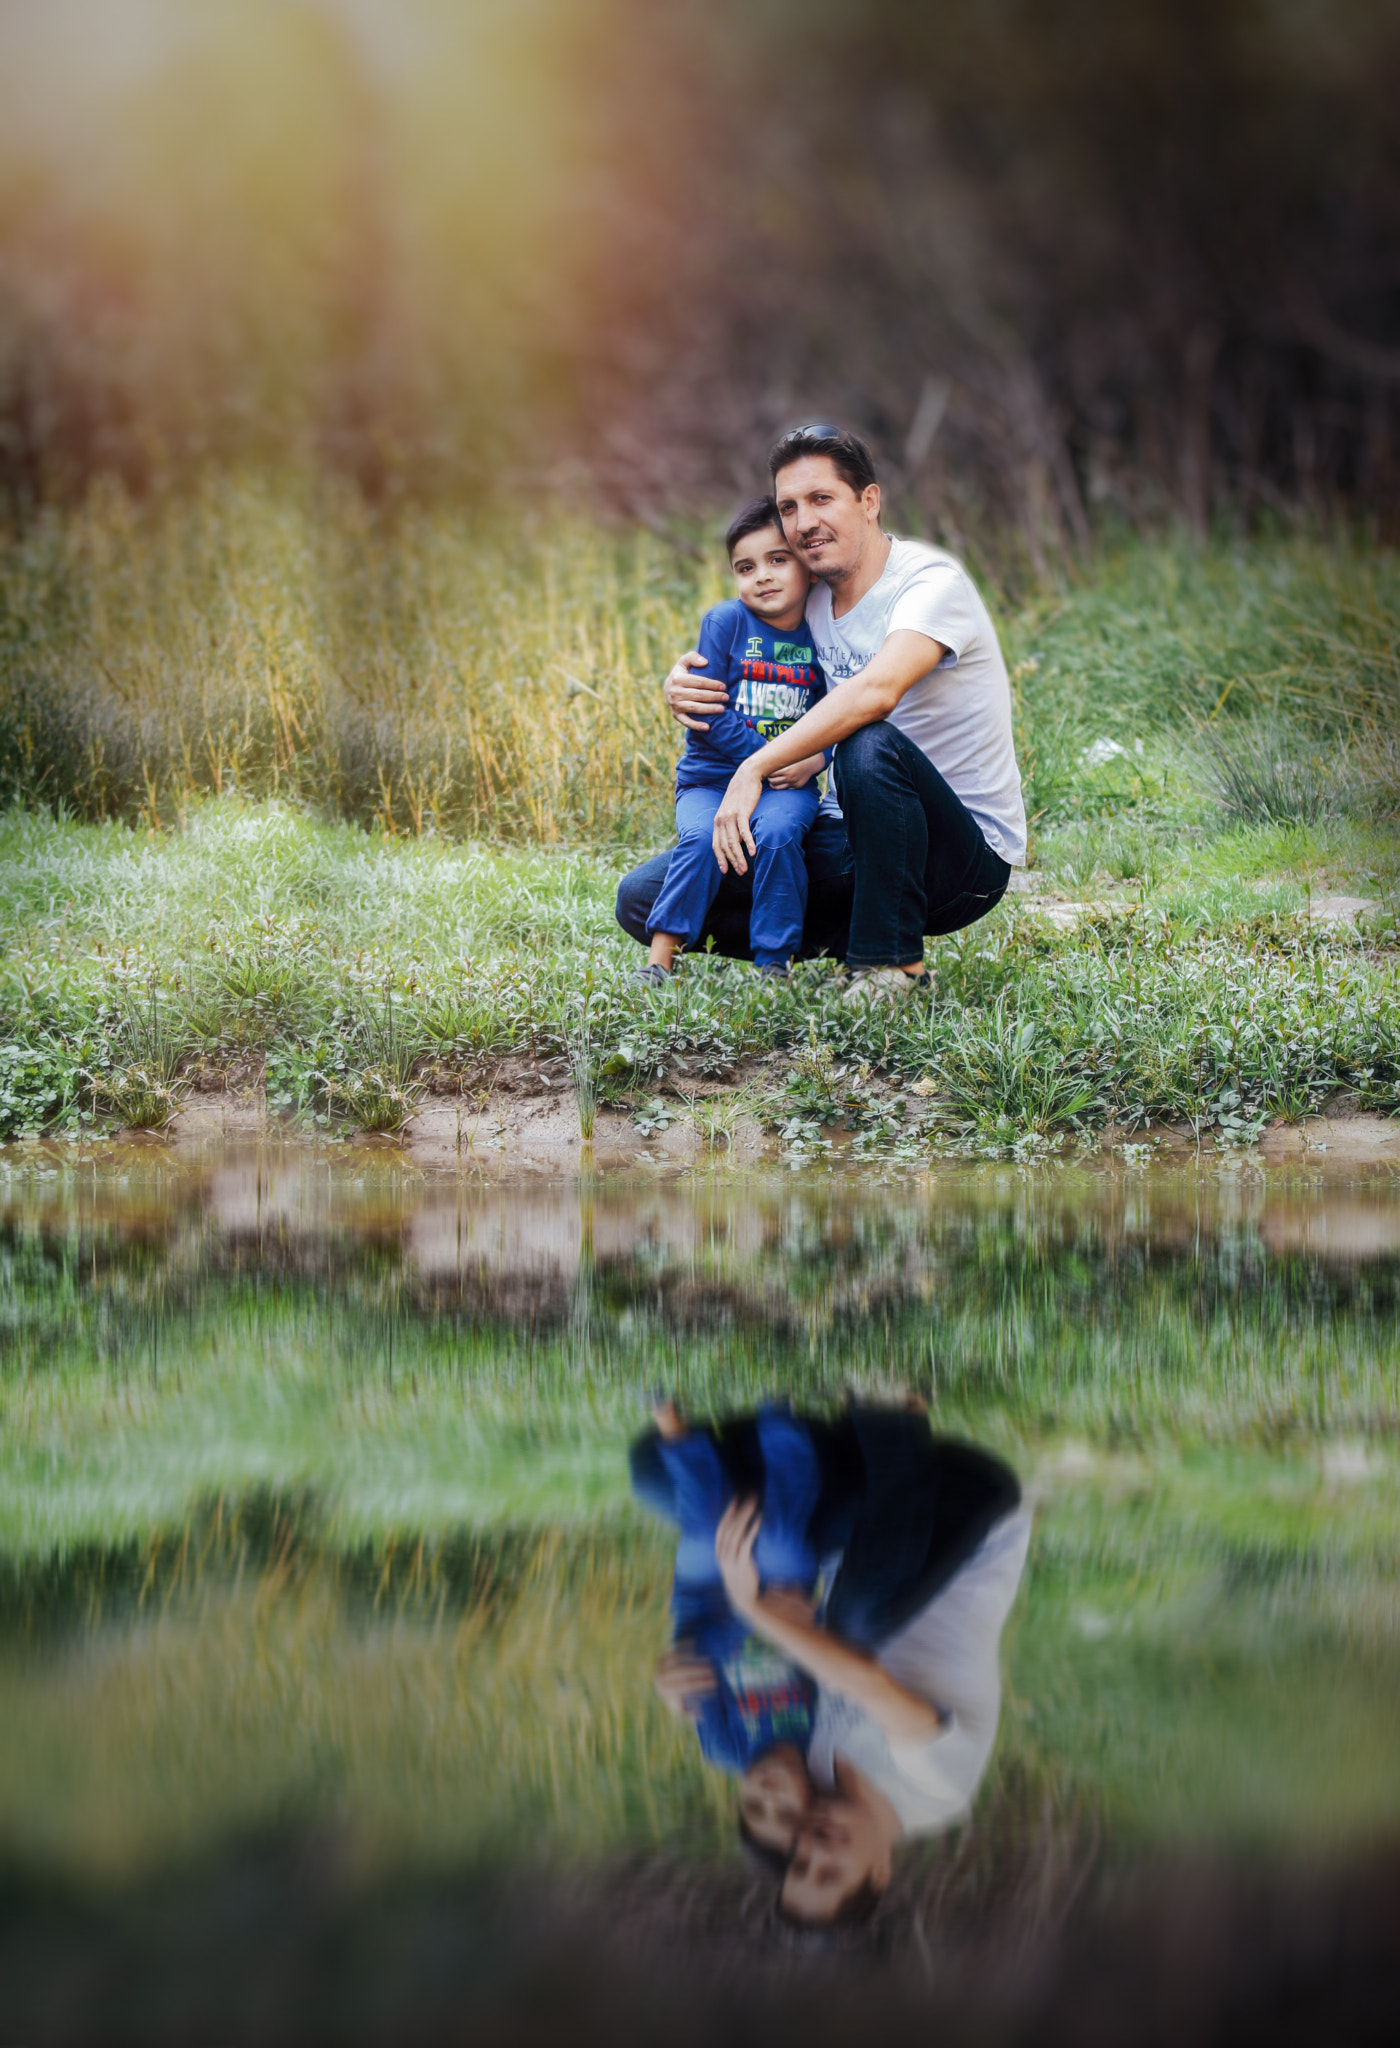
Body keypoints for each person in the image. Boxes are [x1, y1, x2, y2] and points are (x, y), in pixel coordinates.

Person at [656, 425, 1027, 1007]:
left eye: (821, 499)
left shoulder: (929, 583)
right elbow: (752, 654)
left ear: (869, 501)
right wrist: (686, 678)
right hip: (859, 836)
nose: (803, 522)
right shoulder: (815, 601)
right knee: (646, 895)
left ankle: (892, 967)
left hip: (961, 858)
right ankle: (845, 940)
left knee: (868, 742)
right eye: (789, 507)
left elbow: (875, 694)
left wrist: (754, 768)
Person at [714, 1416, 1030, 1927]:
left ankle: (835, 1436)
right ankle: (889, 1413)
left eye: (799, 1863)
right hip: (970, 1510)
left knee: (671, 1487)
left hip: (864, 1530)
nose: (815, 1851)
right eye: (829, 1874)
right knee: (853, 1631)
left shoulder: (816, 1777)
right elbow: (864, 1679)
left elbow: (758, 1696)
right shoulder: (935, 1794)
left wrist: (687, 1674)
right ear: (879, 1873)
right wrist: (755, 1611)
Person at [635, 500, 832, 985]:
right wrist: (763, 759)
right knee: (702, 840)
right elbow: (708, 712)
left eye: (777, 560)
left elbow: (838, 713)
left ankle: (774, 965)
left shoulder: (824, 633)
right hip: (711, 780)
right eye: (746, 568)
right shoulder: (725, 623)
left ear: (807, 568)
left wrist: (816, 757)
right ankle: (659, 961)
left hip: (788, 784)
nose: (761, 576)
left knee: (779, 837)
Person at [630, 1400, 825, 1791]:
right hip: (782, 1592)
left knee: (706, 1534)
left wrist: (751, 1613)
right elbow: (827, 1655)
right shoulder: (824, 1742)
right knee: (779, 1539)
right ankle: (778, 1414)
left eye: (753, 1805)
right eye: (784, 1809)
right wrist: (806, 1619)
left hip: (705, 1594)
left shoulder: (724, 1749)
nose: (766, 1794)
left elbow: (697, 1657)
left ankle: (670, 1422)